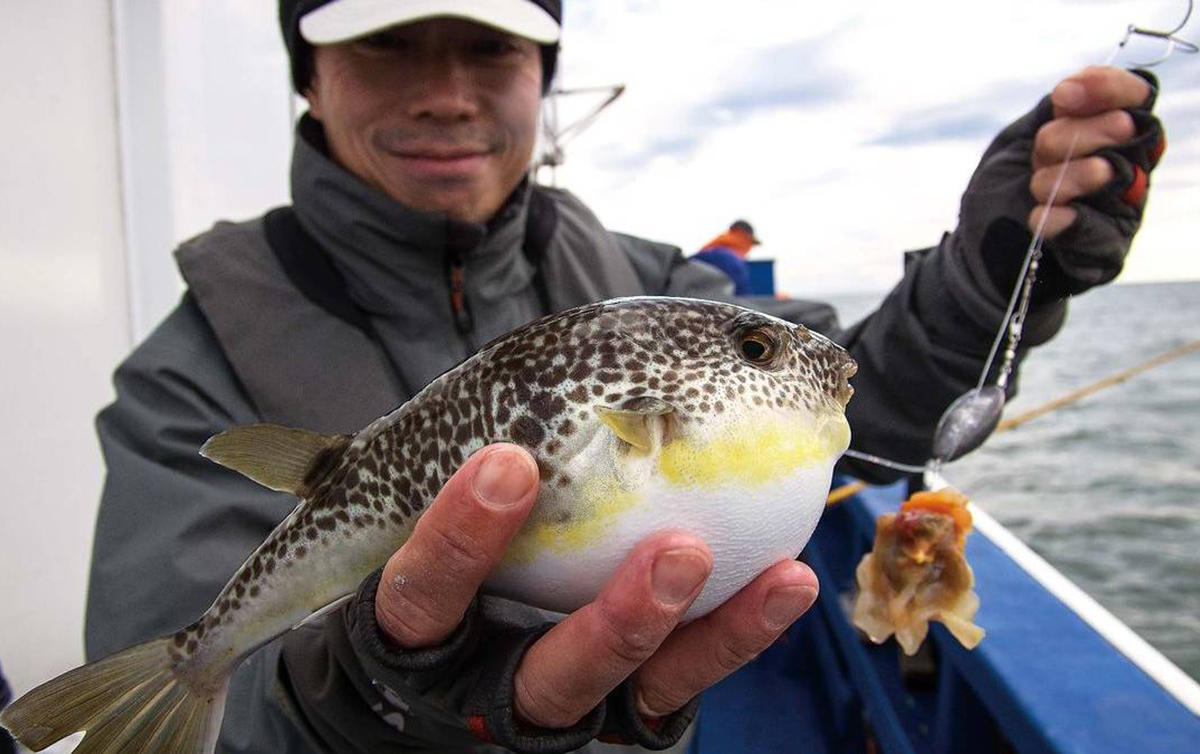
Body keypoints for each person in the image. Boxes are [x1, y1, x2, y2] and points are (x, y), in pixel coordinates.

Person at [79, 0, 1166, 752]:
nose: (450, 94)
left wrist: (988, 275)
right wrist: (363, 695)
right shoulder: (188, 369)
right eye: (393, 46)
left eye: (491, 50)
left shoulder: (650, 289)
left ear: (541, 76)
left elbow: (858, 406)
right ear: (308, 77)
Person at [691, 219, 760, 295]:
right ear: (747, 235)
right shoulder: (732, 257)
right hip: (727, 261)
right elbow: (742, 292)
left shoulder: (720, 240)